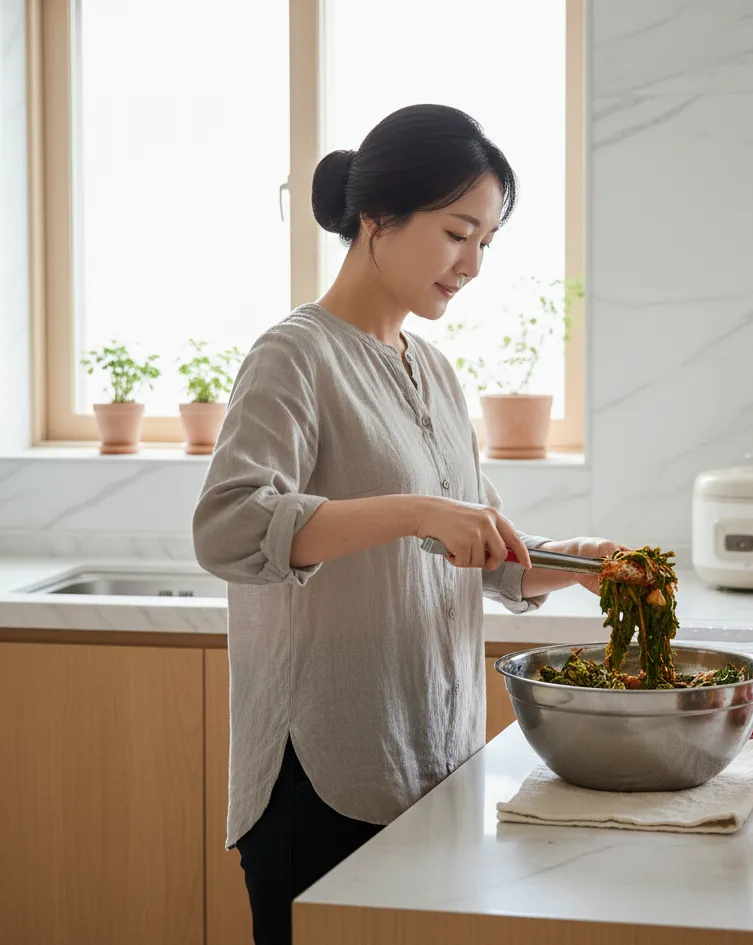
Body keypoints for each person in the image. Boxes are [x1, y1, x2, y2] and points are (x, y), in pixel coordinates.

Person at [192, 104, 621, 945]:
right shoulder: (295, 354)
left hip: (431, 763)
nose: (471, 263)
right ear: (379, 218)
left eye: (486, 242)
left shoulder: (433, 369)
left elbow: (483, 554)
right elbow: (231, 527)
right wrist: (416, 511)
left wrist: (573, 561)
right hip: (319, 775)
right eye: (458, 232)